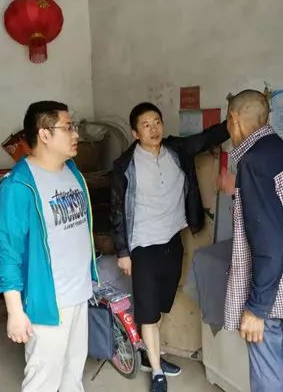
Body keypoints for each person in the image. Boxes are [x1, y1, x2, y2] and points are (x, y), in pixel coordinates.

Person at [110, 102, 230, 392]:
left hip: (172, 243)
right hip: (142, 247)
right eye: (146, 125)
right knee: (148, 313)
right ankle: (157, 372)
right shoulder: (125, 166)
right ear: (135, 133)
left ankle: (151, 355)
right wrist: (123, 252)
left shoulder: (177, 150)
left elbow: (208, 138)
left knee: (161, 306)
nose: (154, 129)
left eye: (157, 122)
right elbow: (116, 211)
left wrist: (236, 120)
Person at [0, 101, 98, 392]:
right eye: (68, 127)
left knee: (73, 373)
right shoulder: (18, 186)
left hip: (79, 293)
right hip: (48, 299)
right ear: (45, 134)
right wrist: (15, 312)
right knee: (43, 380)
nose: (76, 134)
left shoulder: (72, 171)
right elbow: (7, 253)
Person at [219, 90, 283, 392]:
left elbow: (271, 244)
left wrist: (256, 307)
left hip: (271, 295)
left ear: (234, 119)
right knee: (280, 363)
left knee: (269, 376)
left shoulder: (254, 162)